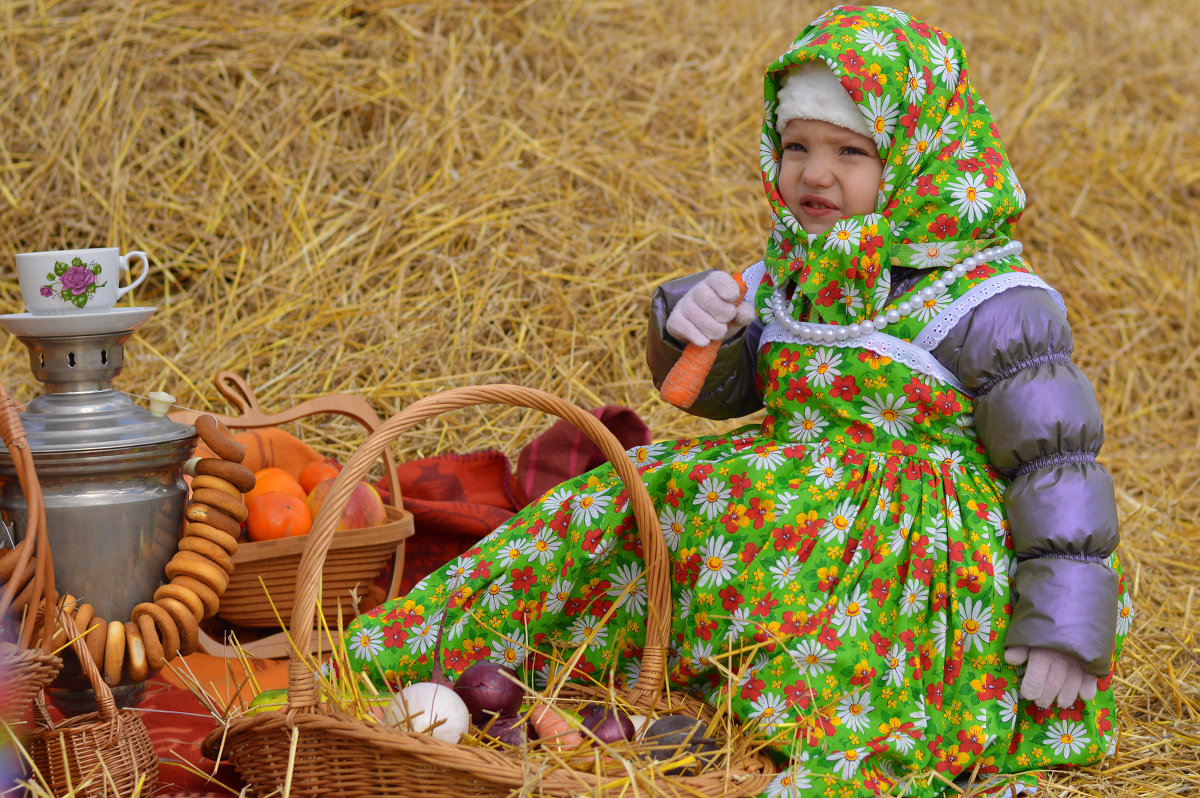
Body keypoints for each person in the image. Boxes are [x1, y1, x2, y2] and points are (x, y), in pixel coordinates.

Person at [343, 6, 1128, 795]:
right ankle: (443, 644)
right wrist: (694, 332)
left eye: (850, 151)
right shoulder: (793, 265)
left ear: (923, 158)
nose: (814, 174)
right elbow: (731, 393)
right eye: (796, 147)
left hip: (899, 551)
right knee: (640, 489)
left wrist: (1065, 621)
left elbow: (1055, 464)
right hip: (782, 487)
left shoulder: (992, 301)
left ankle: (798, 724)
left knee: (806, 569)